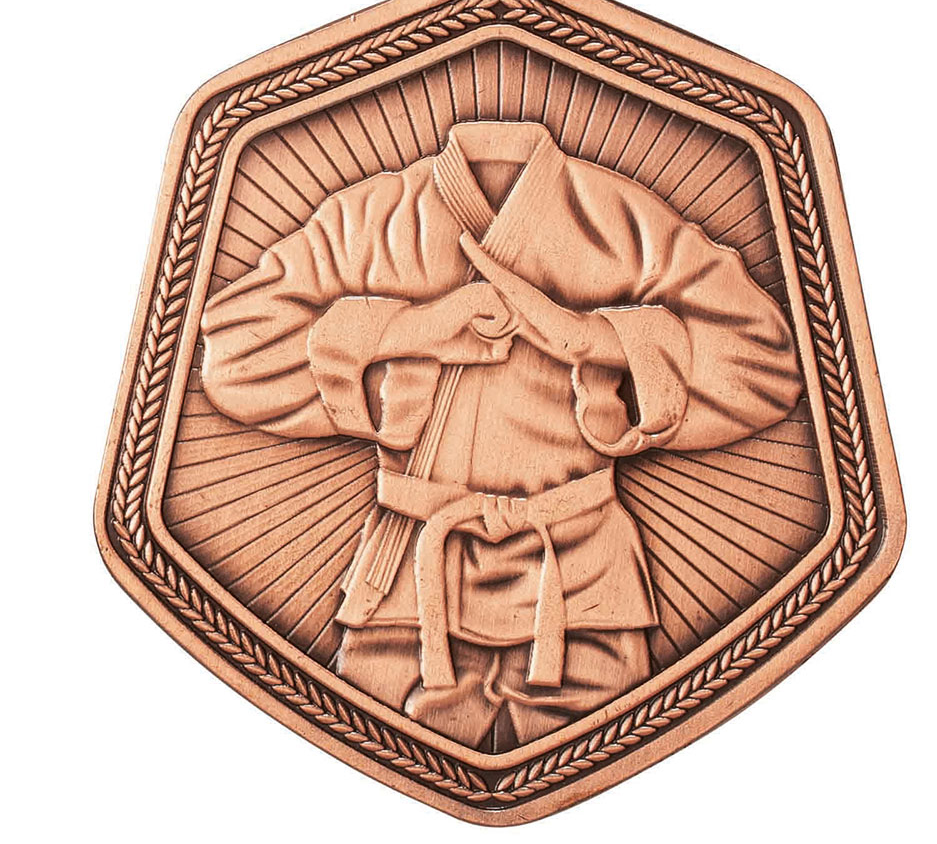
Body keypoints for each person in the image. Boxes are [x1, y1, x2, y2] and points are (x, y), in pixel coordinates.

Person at [200, 120, 801, 749]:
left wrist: (594, 339)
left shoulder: (622, 217)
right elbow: (232, 355)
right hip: (406, 589)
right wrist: (408, 330)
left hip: (583, 590)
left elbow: (766, 365)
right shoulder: (368, 219)